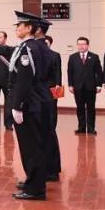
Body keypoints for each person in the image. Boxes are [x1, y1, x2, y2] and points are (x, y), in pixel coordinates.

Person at [7, 11, 50, 201]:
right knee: (31, 146)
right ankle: (33, 181)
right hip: (31, 102)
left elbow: (24, 81)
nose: (17, 28)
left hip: (27, 104)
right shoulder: (29, 46)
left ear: (29, 28)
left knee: (31, 147)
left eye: (20, 25)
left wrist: (18, 105)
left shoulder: (28, 49)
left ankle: (35, 189)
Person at [67, 36, 103, 135]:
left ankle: (91, 128)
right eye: (79, 44)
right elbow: (70, 72)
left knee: (91, 108)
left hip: (91, 86)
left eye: (83, 44)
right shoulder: (73, 57)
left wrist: (99, 85)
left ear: (87, 45)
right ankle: (81, 128)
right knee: (80, 107)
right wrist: (70, 85)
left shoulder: (94, 57)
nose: (81, 46)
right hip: (77, 87)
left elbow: (99, 72)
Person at [40, 32, 62, 181]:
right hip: (40, 91)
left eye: (46, 43)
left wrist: (58, 87)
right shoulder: (37, 55)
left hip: (53, 87)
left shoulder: (55, 55)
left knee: (53, 110)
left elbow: (58, 71)